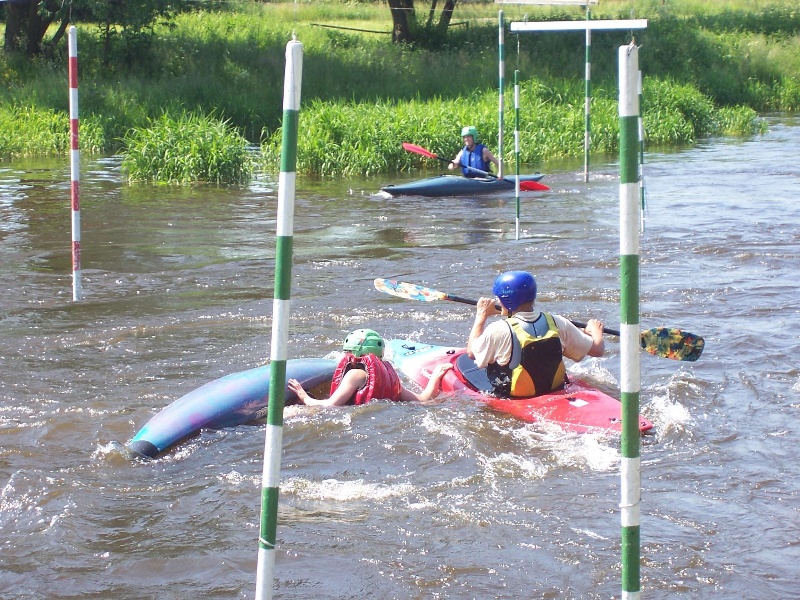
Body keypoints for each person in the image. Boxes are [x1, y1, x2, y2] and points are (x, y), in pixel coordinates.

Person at [467, 271, 605, 398]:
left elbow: (472, 352)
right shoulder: (557, 322)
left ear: (505, 300)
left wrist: (481, 315)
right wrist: (596, 332)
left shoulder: (498, 329)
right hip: (555, 391)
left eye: (498, 298)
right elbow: (597, 350)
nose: (497, 301)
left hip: (516, 399)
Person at [288, 328, 452, 407]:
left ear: (356, 354)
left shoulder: (354, 375)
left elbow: (331, 405)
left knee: (291, 413)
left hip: (346, 418)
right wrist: (436, 376)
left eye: (347, 352)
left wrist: (304, 397)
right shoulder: (390, 380)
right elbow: (424, 399)